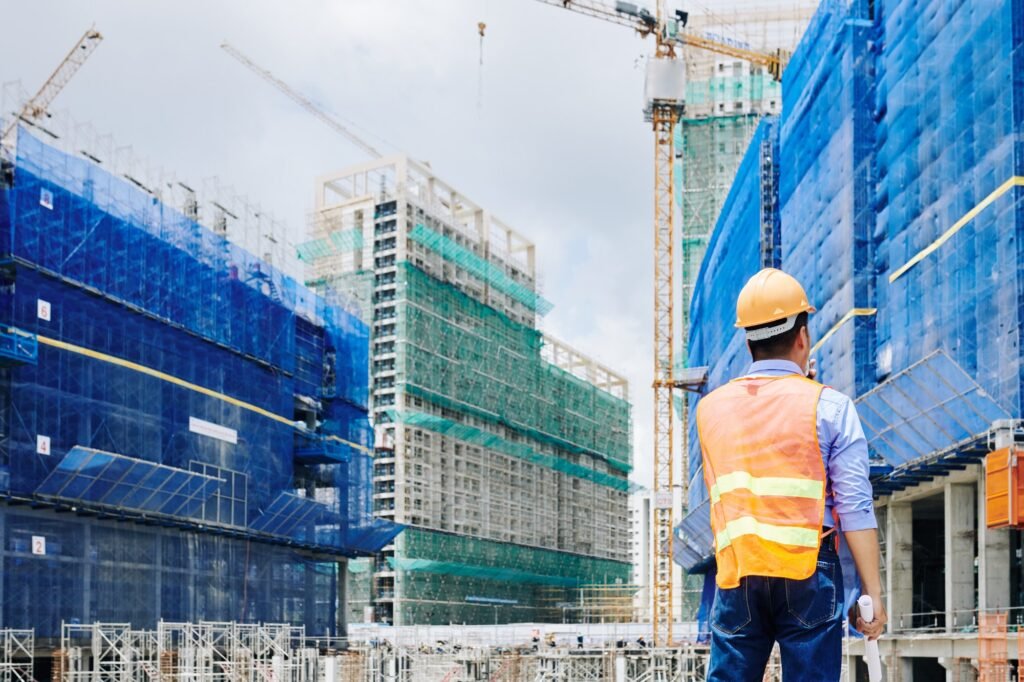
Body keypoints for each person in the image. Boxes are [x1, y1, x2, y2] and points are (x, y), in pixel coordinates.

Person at [696, 268, 886, 682]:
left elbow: (755, 451)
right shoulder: (831, 407)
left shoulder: (709, 410)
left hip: (737, 572)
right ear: (803, 337)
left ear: (748, 342)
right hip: (807, 571)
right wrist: (871, 591)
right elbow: (854, 508)